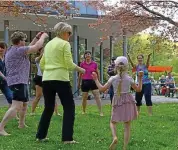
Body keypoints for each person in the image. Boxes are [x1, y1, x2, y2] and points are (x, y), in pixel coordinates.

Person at [36, 22, 85, 143]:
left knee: (48, 107)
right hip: (61, 78)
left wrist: (48, 72)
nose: (70, 36)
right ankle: (67, 138)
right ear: (63, 32)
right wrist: (81, 69)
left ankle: (40, 136)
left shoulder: (48, 45)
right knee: (69, 107)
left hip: (47, 79)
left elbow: (42, 64)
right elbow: (68, 64)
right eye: (69, 33)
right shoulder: (65, 44)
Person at [0, 31, 48, 136]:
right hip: (18, 81)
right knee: (16, 106)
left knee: (25, 104)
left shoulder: (14, 49)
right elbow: (35, 47)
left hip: (21, 81)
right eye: (24, 40)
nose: (25, 42)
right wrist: (43, 37)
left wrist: (36, 37)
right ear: (20, 41)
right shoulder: (18, 50)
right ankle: (1, 127)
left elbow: (30, 47)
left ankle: (21, 124)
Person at [92, 56, 143, 150]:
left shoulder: (113, 78)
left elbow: (102, 89)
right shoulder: (129, 78)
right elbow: (139, 89)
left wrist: (95, 79)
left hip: (117, 100)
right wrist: (140, 78)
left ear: (115, 66)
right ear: (126, 66)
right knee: (127, 125)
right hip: (128, 100)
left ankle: (115, 137)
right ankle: (124, 147)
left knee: (113, 122)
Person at [31, 49, 61, 116]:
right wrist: (43, 54)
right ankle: (32, 111)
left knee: (52, 96)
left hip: (48, 78)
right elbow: (37, 60)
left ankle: (56, 112)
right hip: (40, 78)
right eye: (43, 50)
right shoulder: (37, 59)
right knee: (38, 95)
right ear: (39, 51)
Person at [78, 50, 103, 116]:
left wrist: (98, 82)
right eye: (86, 54)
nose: (88, 55)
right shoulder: (82, 64)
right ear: (85, 56)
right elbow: (80, 74)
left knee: (97, 97)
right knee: (84, 98)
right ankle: (83, 111)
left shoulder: (94, 64)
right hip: (85, 82)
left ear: (91, 55)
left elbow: (98, 73)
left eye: (89, 54)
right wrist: (79, 83)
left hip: (93, 81)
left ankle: (100, 112)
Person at [0, 42, 13, 108]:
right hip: (4, 79)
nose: (0, 49)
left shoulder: (7, 58)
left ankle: (12, 114)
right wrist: (5, 77)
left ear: (6, 49)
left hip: (4, 82)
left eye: (2, 47)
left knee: (11, 97)